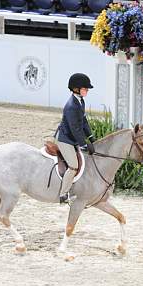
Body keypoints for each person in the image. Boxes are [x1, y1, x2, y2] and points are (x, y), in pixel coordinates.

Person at [55, 73, 96, 204]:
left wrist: (91, 137)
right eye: (85, 88)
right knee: (73, 166)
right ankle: (63, 194)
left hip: (72, 137)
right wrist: (83, 144)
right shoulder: (71, 106)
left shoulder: (80, 101)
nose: (87, 90)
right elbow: (75, 128)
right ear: (76, 89)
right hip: (65, 139)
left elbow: (83, 121)